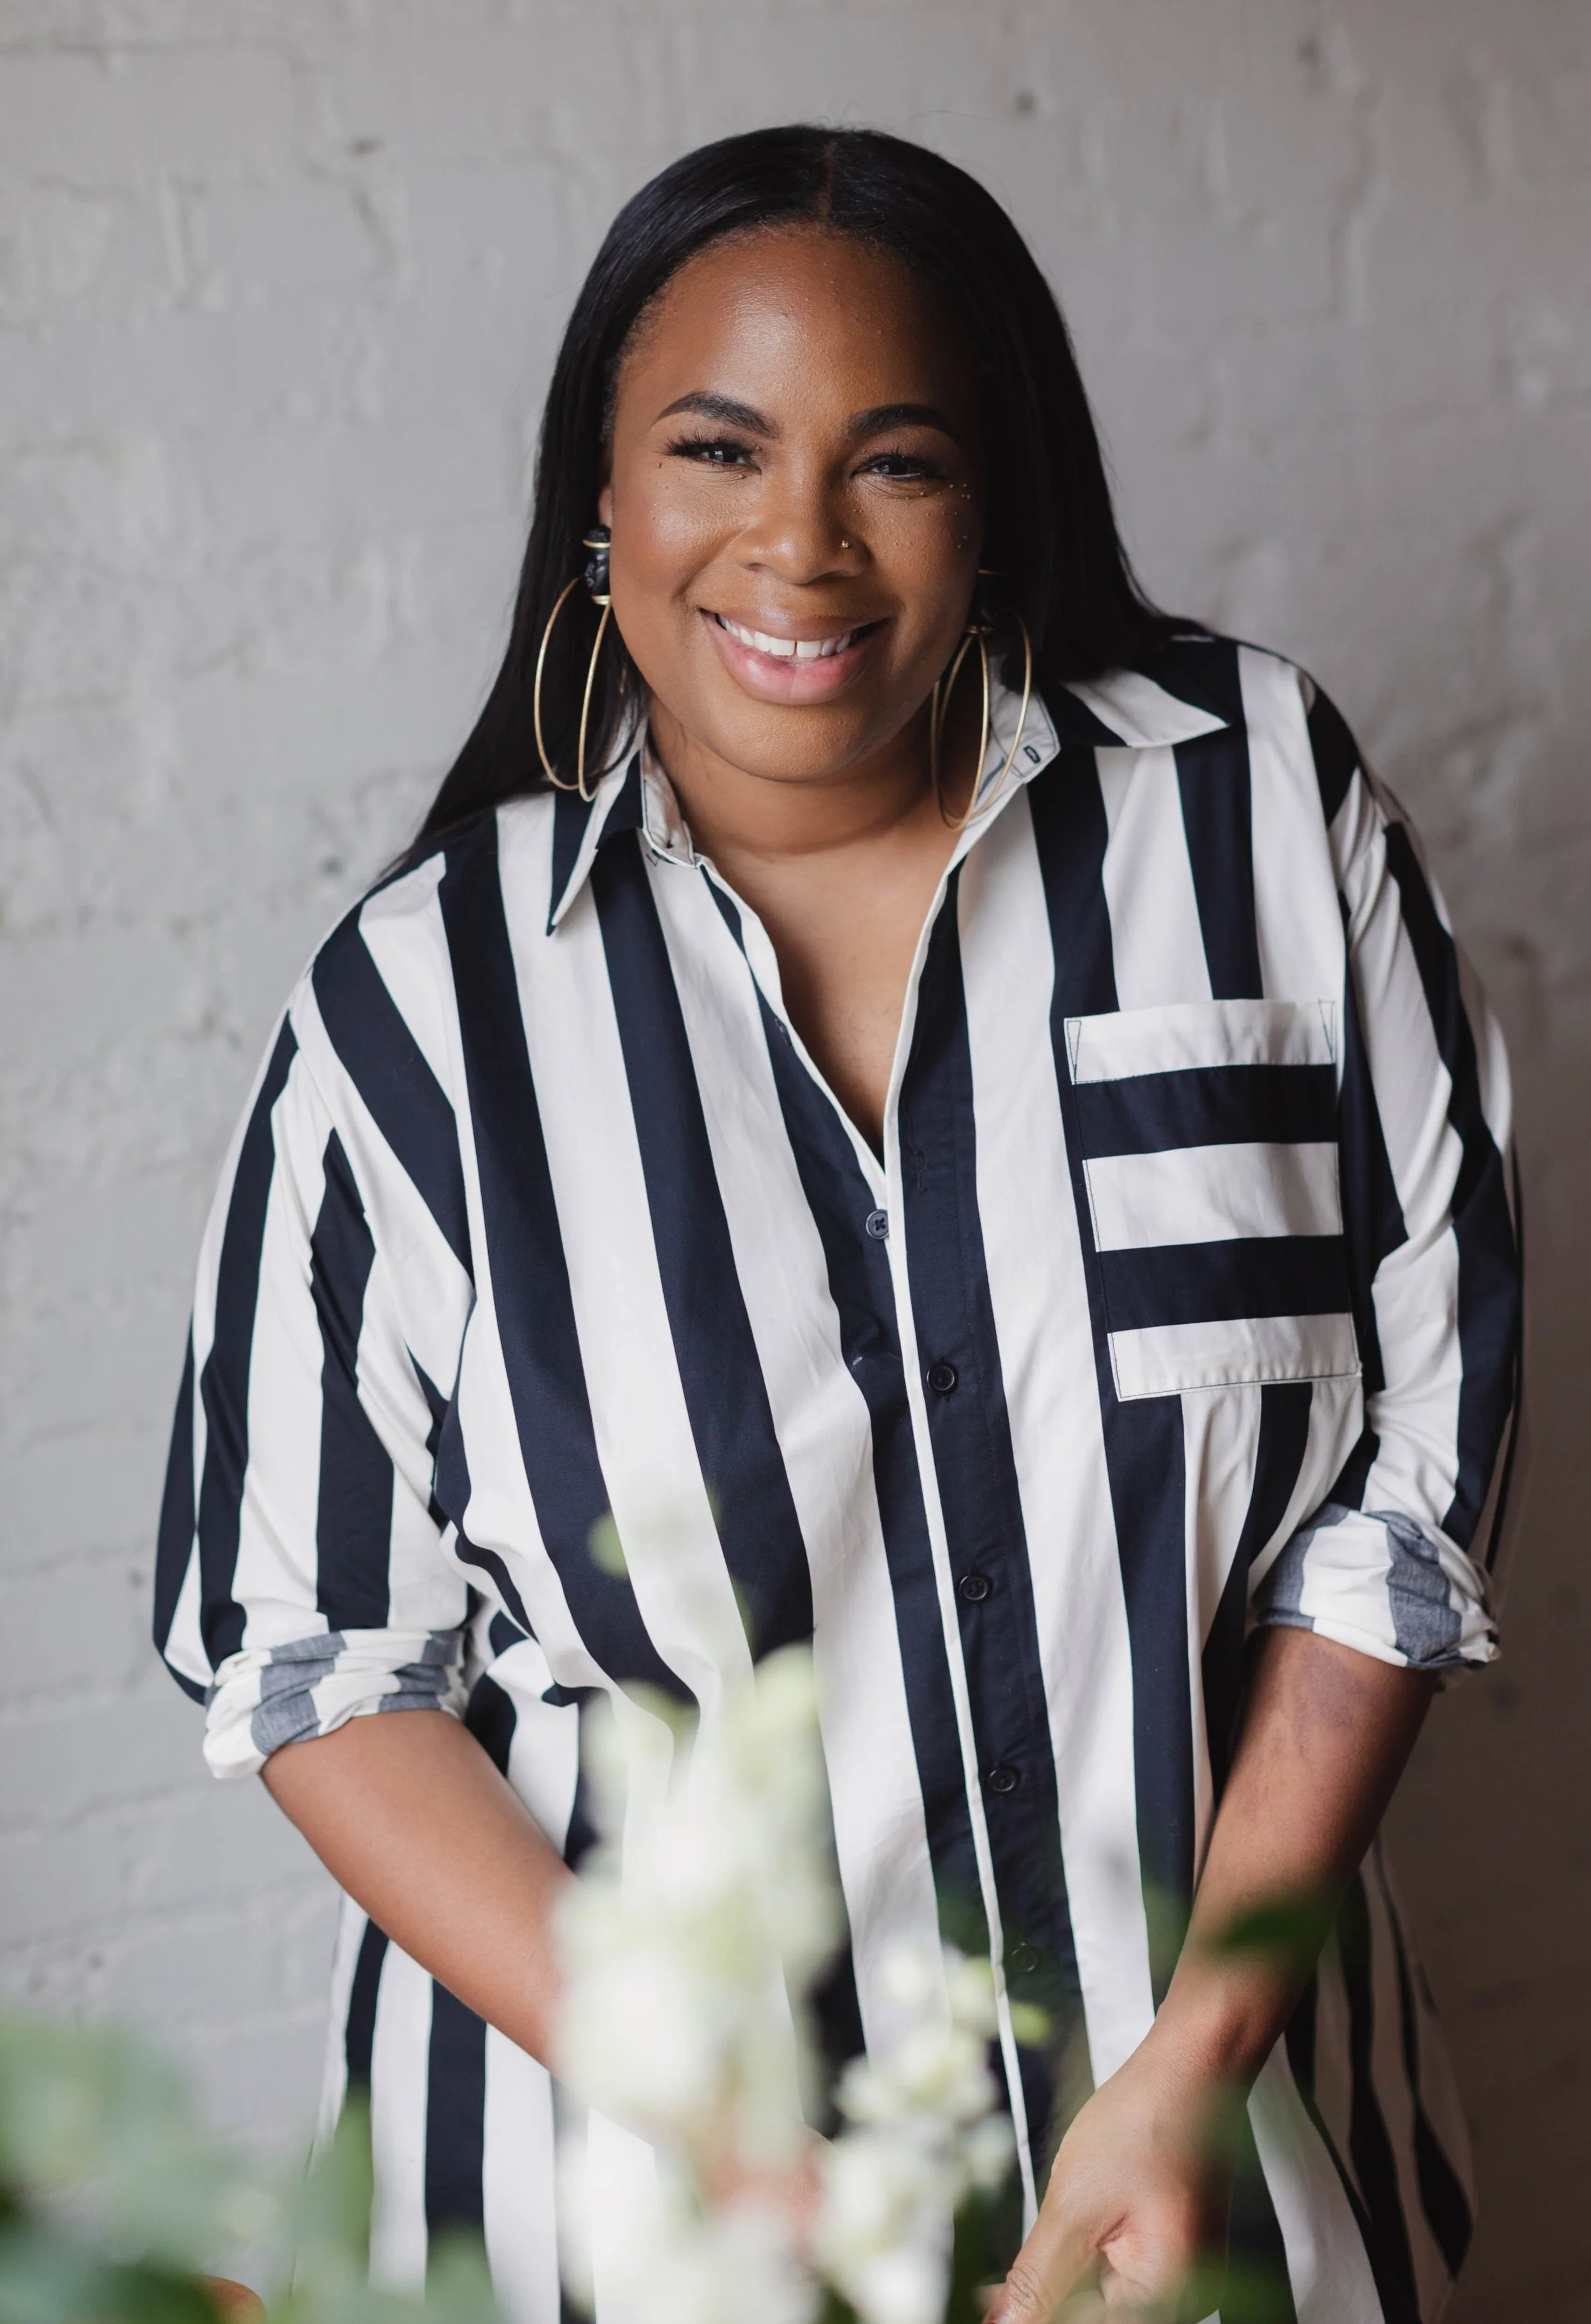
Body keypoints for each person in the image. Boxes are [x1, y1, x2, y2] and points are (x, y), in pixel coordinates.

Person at [153, 125, 1522, 2323]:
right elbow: (318, 1653)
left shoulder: (1250, 813)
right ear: (600, 501)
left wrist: (1197, 2048)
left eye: (894, 462)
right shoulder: (419, 1010)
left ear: (994, 512)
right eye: (716, 447)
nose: (798, 543)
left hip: (1224, 2184)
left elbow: (1410, 1473)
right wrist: (720, 2130)